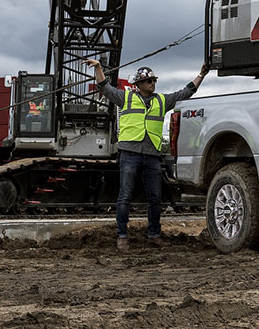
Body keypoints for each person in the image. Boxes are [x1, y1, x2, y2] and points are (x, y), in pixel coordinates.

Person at [84, 59, 209, 252]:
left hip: (152, 155)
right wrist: (99, 68)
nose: (152, 84)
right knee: (124, 196)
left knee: (155, 198)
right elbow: (104, 87)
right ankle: (122, 236)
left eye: (153, 80)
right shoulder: (125, 98)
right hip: (129, 154)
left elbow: (186, 92)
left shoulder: (162, 100)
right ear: (139, 84)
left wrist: (201, 75)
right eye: (149, 81)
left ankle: (153, 235)